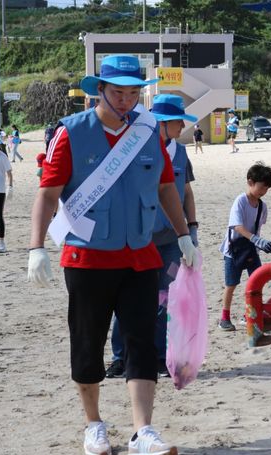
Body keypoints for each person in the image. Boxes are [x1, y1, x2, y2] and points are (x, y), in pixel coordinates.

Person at [26, 54, 200, 455]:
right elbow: (48, 194)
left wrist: (184, 234)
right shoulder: (71, 134)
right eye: (117, 91)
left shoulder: (148, 132)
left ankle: (143, 431)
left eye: (133, 92)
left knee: (142, 341)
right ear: (99, 90)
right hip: (87, 260)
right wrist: (36, 247)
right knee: (88, 343)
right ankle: (94, 424)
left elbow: (165, 189)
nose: (125, 100)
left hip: (141, 257)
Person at [106, 94, 199, 378]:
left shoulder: (181, 153)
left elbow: (185, 192)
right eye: (178, 120)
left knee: (163, 299)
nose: (183, 125)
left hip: (171, 242)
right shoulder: (134, 149)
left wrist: (191, 230)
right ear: (162, 123)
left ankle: (160, 355)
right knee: (126, 299)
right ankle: (121, 356)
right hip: (138, 241)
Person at [218, 162, 271, 331]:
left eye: (267, 188)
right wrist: (256, 240)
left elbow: (257, 227)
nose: (263, 191)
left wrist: (260, 243)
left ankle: (250, 314)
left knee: (256, 282)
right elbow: (236, 226)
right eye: (261, 187)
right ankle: (224, 318)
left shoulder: (262, 206)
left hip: (251, 249)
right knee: (231, 285)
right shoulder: (240, 201)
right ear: (250, 182)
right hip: (233, 251)